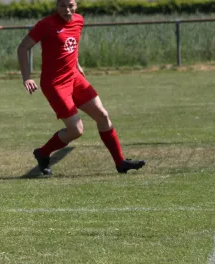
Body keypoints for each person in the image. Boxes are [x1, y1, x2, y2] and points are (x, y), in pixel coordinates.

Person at [17, 0, 146, 176]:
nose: (67, 9)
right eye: (62, 5)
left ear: (76, 5)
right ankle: (43, 153)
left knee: (103, 115)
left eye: (70, 5)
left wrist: (77, 64)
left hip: (74, 78)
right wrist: (26, 77)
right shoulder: (46, 24)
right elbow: (23, 47)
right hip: (54, 84)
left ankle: (120, 162)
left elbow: (72, 45)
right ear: (56, 6)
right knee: (76, 130)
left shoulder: (79, 20)